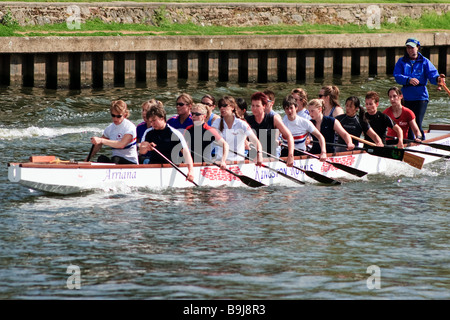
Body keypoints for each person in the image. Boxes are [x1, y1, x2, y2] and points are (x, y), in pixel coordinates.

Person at [393, 37, 446, 139]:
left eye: (412, 48)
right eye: (408, 48)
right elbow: (397, 76)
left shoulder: (425, 62)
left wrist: (438, 80)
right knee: (406, 123)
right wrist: (408, 80)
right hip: (406, 97)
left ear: (418, 48)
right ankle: (408, 143)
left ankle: (420, 142)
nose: (409, 50)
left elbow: (433, 76)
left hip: (420, 98)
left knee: (416, 122)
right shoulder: (401, 61)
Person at [140, 101, 194, 182]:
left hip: (171, 167)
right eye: (150, 121)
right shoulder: (148, 133)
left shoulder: (174, 133)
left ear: (162, 118)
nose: (152, 124)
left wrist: (191, 171)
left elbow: (186, 154)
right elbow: (141, 151)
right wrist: (147, 147)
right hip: (154, 167)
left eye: (154, 120)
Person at [246, 91, 294, 167]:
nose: (254, 108)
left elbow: (289, 136)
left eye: (257, 106)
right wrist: (245, 142)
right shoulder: (247, 120)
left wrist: (290, 155)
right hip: (252, 160)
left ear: (264, 106)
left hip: (271, 161)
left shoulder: (273, 119)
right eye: (252, 105)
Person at [211, 95, 263, 165]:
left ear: (232, 107)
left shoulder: (241, 124)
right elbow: (210, 134)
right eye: (220, 106)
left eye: (224, 105)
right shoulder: (217, 122)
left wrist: (259, 154)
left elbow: (255, 141)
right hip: (220, 162)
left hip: (237, 162)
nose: (222, 108)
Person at [88, 100, 138, 164]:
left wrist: (101, 140)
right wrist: (87, 159)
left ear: (125, 115)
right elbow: (98, 145)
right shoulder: (109, 128)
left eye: (119, 116)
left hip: (130, 163)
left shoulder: (130, 127)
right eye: (113, 115)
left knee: (115, 159)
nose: (115, 119)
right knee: (101, 158)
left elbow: (121, 144)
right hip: (116, 161)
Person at [281, 94, 327, 161]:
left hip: (300, 154)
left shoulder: (305, 122)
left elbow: (320, 137)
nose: (289, 111)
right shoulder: (282, 123)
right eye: (287, 109)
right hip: (286, 154)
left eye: (291, 108)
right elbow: (274, 139)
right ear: (284, 110)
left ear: (296, 107)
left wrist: (323, 152)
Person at [183, 103, 229, 169]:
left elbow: (225, 144)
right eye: (192, 114)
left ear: (204, 117)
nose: (193, 116)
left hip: (206, 166)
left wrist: (223, 161)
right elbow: (182, 147)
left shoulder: (209, 130)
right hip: (191, 165)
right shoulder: (188, 129)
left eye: (197, 114)